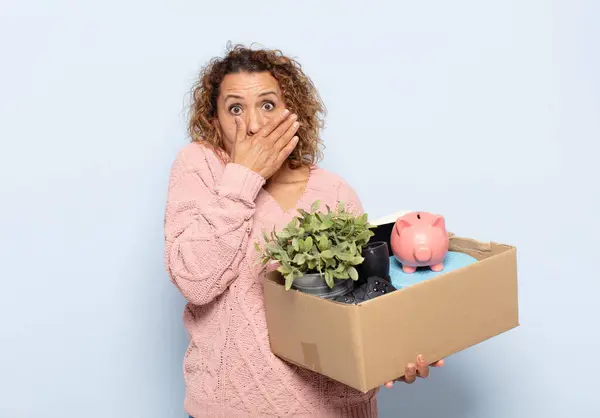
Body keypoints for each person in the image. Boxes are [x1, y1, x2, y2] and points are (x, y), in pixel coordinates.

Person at [164, 44, 444, 418]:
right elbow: (195, 280)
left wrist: (396, 355)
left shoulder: (334, 191)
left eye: (267, 105)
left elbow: (360, 304)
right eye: (235, 108)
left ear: (291, 113)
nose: (252, 124)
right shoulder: (201, 168)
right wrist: (245, 177)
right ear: (214, 122)